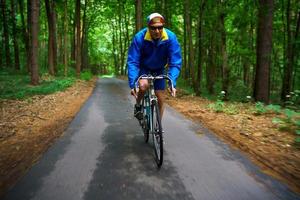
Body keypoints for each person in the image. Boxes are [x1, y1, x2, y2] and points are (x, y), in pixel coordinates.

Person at [127, 13, 182, 120]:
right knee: (143, 86)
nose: (157, 31)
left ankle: (158, 127)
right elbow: (133, 61)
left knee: (161, 96)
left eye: (160, 27)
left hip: (159, 68)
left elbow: (175, 62)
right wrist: (133, 83)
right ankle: (138, 105)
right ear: (148, 27)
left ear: (163, 26)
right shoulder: (139, 37)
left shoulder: (170, 37)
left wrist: (172, 81)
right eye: (153, 28)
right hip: (144, 67)